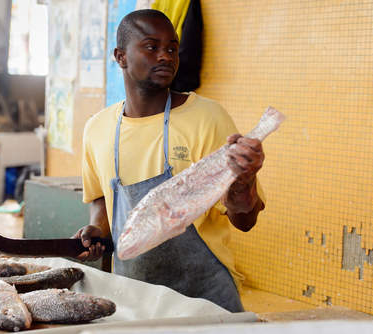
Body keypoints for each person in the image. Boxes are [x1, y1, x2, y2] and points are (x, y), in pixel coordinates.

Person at [73, 9, 265, 312]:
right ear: (120, 56)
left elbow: (245, 220)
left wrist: (245, 180)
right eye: (152, 47)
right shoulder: (97, 129)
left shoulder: (207, 119)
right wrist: (97, 230)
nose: (166, 56)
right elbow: (100, 199)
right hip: (132, 299)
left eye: (172, 48)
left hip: (206, 301)